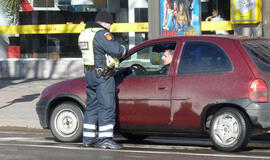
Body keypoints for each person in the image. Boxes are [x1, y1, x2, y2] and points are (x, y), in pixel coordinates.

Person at [78, 11, 127, 149]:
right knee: (107, 106)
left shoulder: (85, 33)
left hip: (89, 74)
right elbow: (117, 50)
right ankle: (105, 139)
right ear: (105, 22)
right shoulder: (101, 34)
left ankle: (88, 138)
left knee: (92, 106)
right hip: (103, 76)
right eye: (110, 24)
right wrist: (124, 48)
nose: (110, 27)